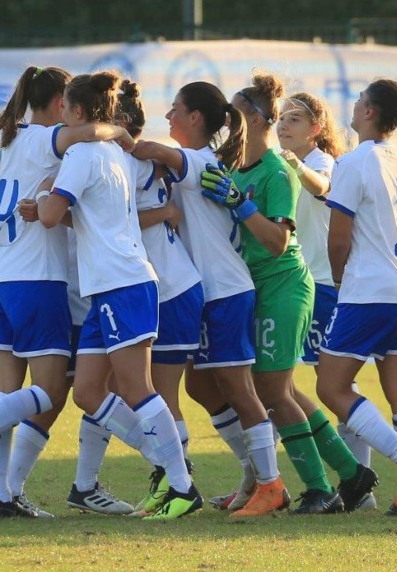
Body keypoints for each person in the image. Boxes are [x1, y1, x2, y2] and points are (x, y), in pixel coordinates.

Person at [0, 65, 132, 518]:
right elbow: (89, 133)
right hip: (35, 279)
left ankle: (2, 498)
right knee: (52, 391)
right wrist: (120, 130)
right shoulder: (44, 138)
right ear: (61, 103)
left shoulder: (14, 139)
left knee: (5, 393)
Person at [200, 72, 375, 514]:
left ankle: (320, 488)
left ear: (258, 120)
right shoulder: (235, 165)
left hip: (283, 284)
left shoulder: (278, 171)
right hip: (254, 287)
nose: (227, 122)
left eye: (234, 114)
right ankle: (352, 474)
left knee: (273, 390)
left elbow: (277, 242)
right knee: (283, 391)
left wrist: (240, 203)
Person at [33, 70, 201, 521]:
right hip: (107, 285)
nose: (61, 116)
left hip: (122, 283)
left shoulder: (85, 154)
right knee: (88, 392)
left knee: (137, 388)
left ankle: (181, 484)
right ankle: (168, 465)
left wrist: (39, 198)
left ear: (80, 112)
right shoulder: (110, 153)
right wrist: (51, 207)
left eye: (66, 108)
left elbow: (51, 216)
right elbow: (84, 220)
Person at [130, 81, 289, 518]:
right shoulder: (204, 162)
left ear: (195, 118)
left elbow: (163, 154)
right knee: (201, 385)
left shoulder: (199, 160)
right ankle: (253, 474)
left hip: (226, 290)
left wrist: (116, 139)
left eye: (175, 109)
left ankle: (271, 484)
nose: (168, 117)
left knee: (240, 389)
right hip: (208, 292)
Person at [315, 78, 397, 515]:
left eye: (360, 99)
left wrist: (341, 281)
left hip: (368, 290)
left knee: (331, 386)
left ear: (369, 112)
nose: (354, 103)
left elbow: (338, 238)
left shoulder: (353, 162)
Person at [275, 90, 377, 510]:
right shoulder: (276, 164)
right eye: (281, 117)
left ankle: (359, 488)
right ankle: (270, 481)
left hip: (321, 287)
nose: (284, 125)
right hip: (288, 285)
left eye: (295, 119)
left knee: (334, 387)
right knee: (275, 389)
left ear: (316, 129)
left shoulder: (320, 162)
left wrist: (296, 165)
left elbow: (323, 188)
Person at [120, 80, 204, 517]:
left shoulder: (133, 161)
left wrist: (162, 214)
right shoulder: (142, 158)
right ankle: (169, 481)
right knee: (137, 389)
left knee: (161, 394)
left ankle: (178, 487)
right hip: (169, 285)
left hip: (171, 288)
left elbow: (118, 219)